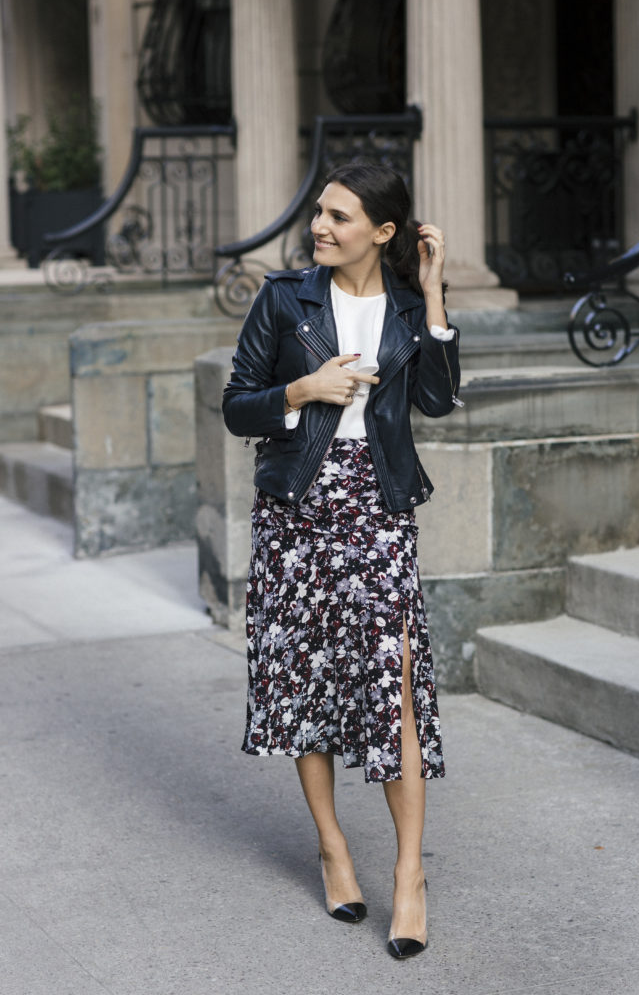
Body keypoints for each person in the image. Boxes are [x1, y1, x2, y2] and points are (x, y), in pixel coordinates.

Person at [222, 162, 461, 959]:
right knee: (307, 682)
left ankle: (408, 875)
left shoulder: (400, 306)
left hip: (377, 505)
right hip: (297, 506)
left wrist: (432, 298)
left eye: (340, 216)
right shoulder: (283, 299)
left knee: (393, 689)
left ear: (384, 232)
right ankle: (331, 847)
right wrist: (302, 388)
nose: (319, 226)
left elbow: (434, 400)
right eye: (320, 212)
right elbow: (236, 404)